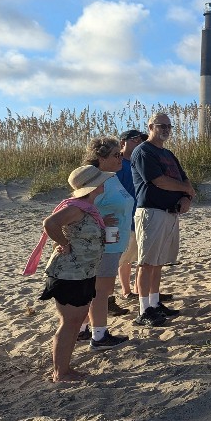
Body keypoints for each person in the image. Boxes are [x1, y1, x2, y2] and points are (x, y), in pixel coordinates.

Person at [38, 165, 115, 382]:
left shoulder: (86, 207)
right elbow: (50, 223)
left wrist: (103, 229)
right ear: (93, 186)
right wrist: (64, 244)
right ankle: (61, 373)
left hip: (82, 272)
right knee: (70, 322)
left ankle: (64, 369)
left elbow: (80, 230)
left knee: (75, 320)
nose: (104, 183)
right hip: (69, 274)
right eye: (101, 181)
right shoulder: (77, 207)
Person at [131, 112, 195, 327]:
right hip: (151, 211)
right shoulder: (143, 151)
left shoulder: (168, 153)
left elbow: (182, 177)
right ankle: (143, 309)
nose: (166, 129)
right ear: (150, 127)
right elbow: (159, 181)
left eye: (169, 126)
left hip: (169, 211)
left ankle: (155, 302)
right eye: (162, 126)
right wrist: (186, 189)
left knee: (158, 262)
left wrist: (186, 196)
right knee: (147, 262)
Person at [80, 137, 132, 351]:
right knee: (101, 291)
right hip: (104, 244)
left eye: (120, 154)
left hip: (112, 242)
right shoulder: (96, 180)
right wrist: (100, 222)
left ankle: (82, 330)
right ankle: (99, 336)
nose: (121, 158)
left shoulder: (112, 177)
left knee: (98, 290)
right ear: (101, 157)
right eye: (116, 155)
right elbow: (79, 207)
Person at [115, 129, 146, 302]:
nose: (138, 143)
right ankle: (126, 290)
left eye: (140, 141)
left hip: (138, 213)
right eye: (134, 140)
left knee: (139, 255)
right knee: (123, 257)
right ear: (123, 142)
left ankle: (137, 288)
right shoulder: (116, 162)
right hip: (122, 216)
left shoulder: (138, 161)